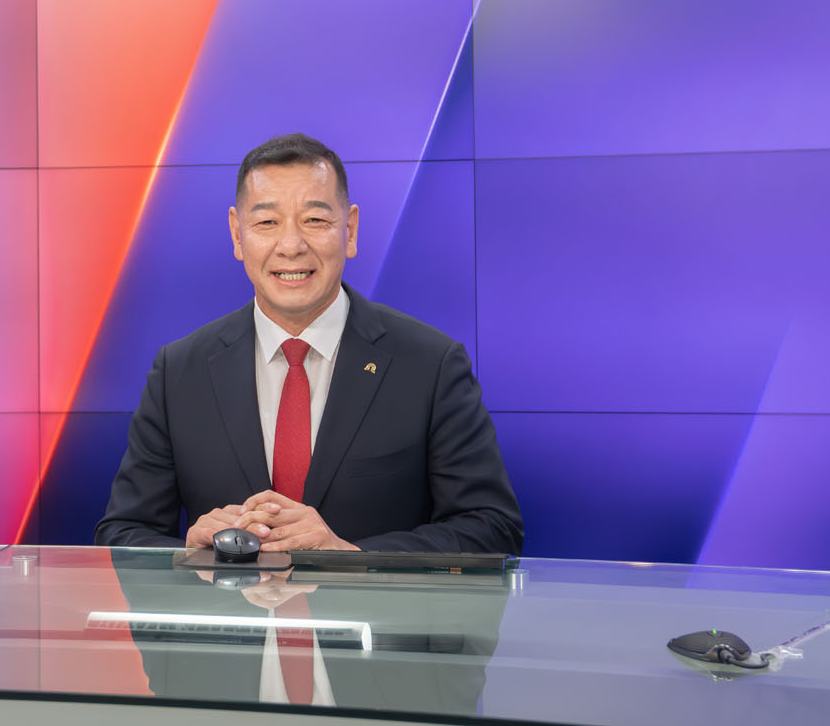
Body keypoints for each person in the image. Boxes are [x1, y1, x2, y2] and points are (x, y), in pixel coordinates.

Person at [94, 133, 523, 554]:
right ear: (237, 235)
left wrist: (351, 556)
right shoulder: (178, 372)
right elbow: (123, 533)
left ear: (349, 230)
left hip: (371, 604)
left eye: (315, 220)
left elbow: (492, 528)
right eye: (267, 223)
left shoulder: (430, 364)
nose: (291, 246)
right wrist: (187, 552)